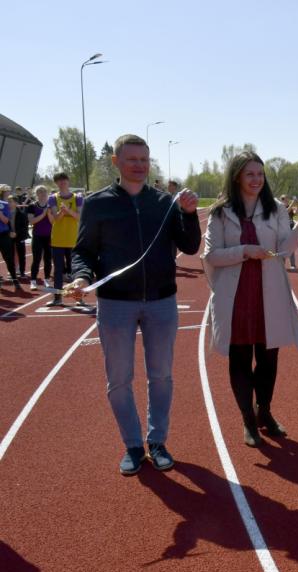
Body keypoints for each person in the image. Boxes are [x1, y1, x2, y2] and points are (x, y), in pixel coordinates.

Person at [67, 134, 201, 476]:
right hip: (115, 304)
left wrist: (189, 214)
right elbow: (83, 251)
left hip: (161, 301)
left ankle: (157, 441)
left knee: (162, 376)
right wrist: (82, 278)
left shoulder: (164, 201)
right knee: (119, 380)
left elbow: (189, 245)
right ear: (116, 162)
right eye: (131, 159)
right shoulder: (97, 204)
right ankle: (132, 444)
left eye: (144, 159)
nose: (139, 165)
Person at [201, 152, 298, 447]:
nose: (256, 180)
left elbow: (283, 249)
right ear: (237, 176)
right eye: (250, 174)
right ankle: (247, 421)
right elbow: (211, 255)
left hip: (270, 292)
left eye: (260, 174)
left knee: (268, 358)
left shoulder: (275, 208)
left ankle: (263, 411)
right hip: (235, 296)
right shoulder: (220, 212)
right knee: (240, 358)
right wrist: (244, 251)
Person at [47, 173, 83, 306]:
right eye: (59, 181)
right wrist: (62, 212)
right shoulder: (53, 198)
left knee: (76, 270)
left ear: (68, 181)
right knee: (58, 270)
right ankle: (57, 298)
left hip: (73, 239)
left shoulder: (77, 197)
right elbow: (56, 219)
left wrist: (68, 210)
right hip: (58, 239)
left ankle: (79, 298)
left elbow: (79, 217)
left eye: (64, 180)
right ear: (56, 183)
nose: (62, 183)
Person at [27, 185, 54, 290]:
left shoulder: (51, 206)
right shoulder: (32, 206)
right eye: (40, 192)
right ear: (36, 194)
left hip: (49, 236)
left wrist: (49, 214)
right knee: (36, 259)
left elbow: (52, 222)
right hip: (37, 235)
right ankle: (33, 281)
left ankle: (47, 280)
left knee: (48, 259)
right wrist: (43, 214)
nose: (42, 194)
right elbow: (32, 221)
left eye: (44, 192)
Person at [8, 192, 30, 282]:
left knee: (21, 255)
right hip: (9, 236)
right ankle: (12, 272)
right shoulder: (5, 213)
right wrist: (9, 233)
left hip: (19, 237)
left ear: (16, 203)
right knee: (10, 255)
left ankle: (22, 272)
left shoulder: (22, 214)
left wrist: (16, 233)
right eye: (8, 201)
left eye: (10, 201)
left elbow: (24, 227)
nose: (8, 203)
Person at [0, 185, 18, 289]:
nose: (8, 193)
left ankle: (14, 278)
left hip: (3, 235)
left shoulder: (4, 204)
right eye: (6, 191)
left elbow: (6, 220)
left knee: (8, 258)